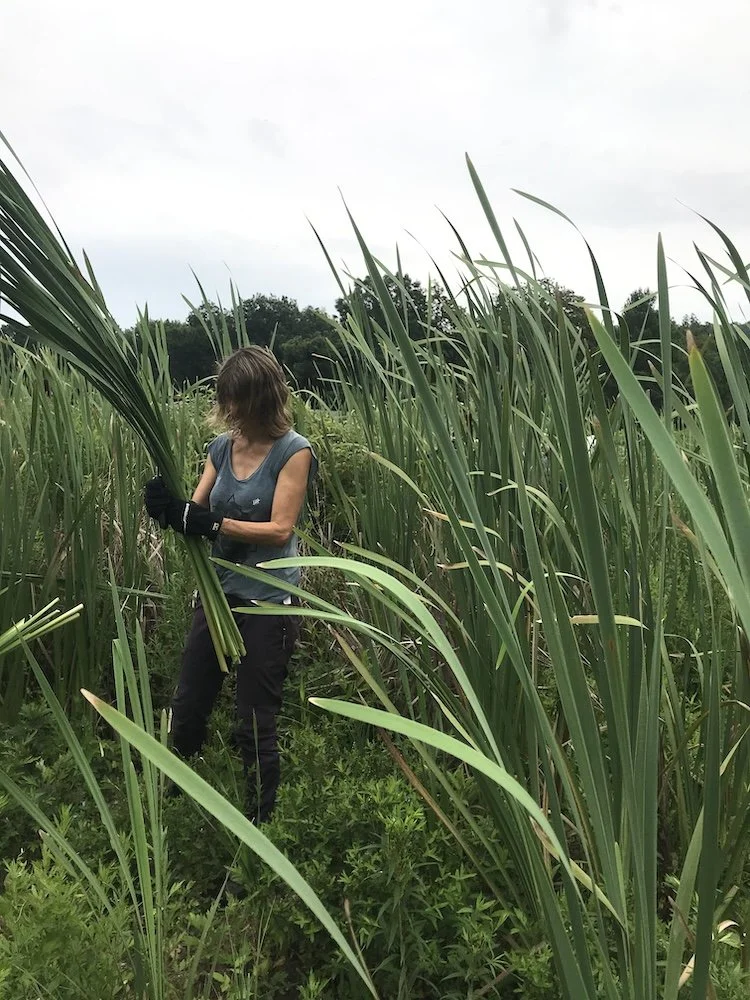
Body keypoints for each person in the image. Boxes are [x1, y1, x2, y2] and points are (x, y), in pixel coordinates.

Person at [144, 346, 317, 824]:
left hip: (267, 602)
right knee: (189, 705)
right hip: (217, 594)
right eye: (227, 400)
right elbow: (195, 511)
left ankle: (259, 823)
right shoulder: (221, 448)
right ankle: (178, 804)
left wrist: (212, 524)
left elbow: (280, 529)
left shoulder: (293, 452)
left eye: (239, 400)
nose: (231, 410)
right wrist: (167, 509)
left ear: (262, 398)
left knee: (253, 721)